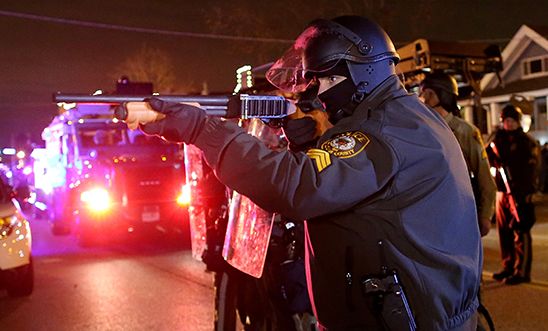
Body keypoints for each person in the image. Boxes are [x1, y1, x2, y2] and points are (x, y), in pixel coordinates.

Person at [125, 15, 481, 330]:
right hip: (417, 313)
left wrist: (204, 131)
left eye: (324, 82)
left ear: (362, 71)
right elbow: (351, 188)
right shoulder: (401, 117)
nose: (320, 96)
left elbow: (297, 187)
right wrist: (309, 144)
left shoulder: (384, 131)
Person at [419, 72, 497, 236]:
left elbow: (484, 177)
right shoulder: (420, 130)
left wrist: (485, 215)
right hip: (428, 214)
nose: (421, 97)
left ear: (438, 95)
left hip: (459, 212)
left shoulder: (465, 132)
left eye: (425, 92)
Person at [488, 105, 539, 285]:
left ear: (517, 122)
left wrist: (526, 192)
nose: (508, 124)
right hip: (502, 192)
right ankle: (507, 266)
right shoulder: (498, 139)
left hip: (519, 191)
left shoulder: (526, 142)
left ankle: (521, 270)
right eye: (505, 121)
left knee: (521, 229)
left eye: (511, 121)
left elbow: (532, 170)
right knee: (504, 231)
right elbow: (488, 156)